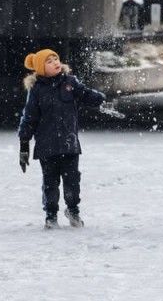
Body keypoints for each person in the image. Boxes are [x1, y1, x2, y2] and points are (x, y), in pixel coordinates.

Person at [18, 49, 106, 229]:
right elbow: (29, 118)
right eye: (49, 61)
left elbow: (85, 94)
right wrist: (24, 145)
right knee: (50, 183)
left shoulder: (70, 83)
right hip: (46, 146)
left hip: (69, 143)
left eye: (56, 58)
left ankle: (73, 211)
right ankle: (51, 215)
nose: (55, 62)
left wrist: (100, 99)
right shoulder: (36, 90)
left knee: (72, 181)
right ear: (41, 68)